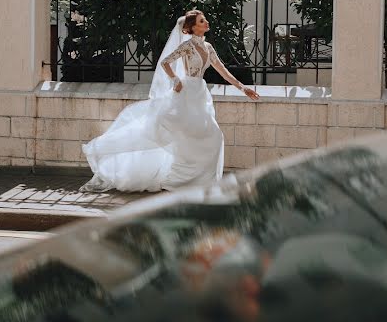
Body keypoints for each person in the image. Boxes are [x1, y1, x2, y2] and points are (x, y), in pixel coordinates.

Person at [80, 10, 260, 193]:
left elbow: (222, 70)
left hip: (200, 94)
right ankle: (177, 181)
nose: (206, 22)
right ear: (191, 28)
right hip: (186, 93)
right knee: (185, 138)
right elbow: (165, 62)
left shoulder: (208, 47)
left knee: (213, 136)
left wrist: (242, 87)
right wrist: (176, 79)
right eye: (201, 21)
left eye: (205, 20)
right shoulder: (187, 46)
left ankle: (199, 181)